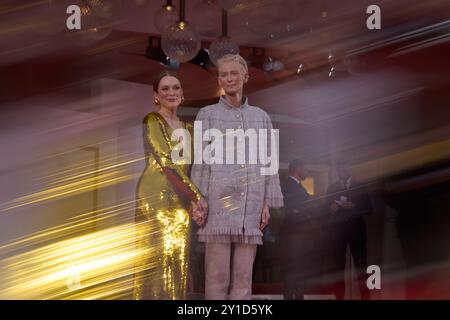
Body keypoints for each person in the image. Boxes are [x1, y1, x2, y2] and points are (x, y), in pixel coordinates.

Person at [190, 54, 284, 300]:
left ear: (245, 77)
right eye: (224, 74)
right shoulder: (207, 114)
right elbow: (200, 161)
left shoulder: (261, 117)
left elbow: (269, 163)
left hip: (250, 206)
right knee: (216, 276)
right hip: (217, 205)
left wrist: (266, 202)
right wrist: (197, 199)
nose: (229, 78)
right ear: (219, 79)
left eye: (234, 73)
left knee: (244, 278)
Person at [133, 70, 207, 300]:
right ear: (156, 95)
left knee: (178, 258)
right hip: (156, 196)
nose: (171, 92)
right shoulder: (151, 120)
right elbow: (165, 161)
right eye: (165, 88)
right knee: (155, 260)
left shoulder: (190, 129)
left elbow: (192, 168)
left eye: (175, 87)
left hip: (181, 199)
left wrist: (194, 202)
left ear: (182, 93)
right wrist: (197, 196)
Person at [325, 159, 371, 300]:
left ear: (350, 169)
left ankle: (365, 297)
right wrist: (331, 209)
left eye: (344, 169)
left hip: (357, 232)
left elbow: (369, 208)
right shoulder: (332, 188)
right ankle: (339, 297)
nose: (342, 172)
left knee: (361, 267)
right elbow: (324, 210)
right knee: (338, 268)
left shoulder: (360, 186)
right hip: (338, 233)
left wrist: (354, 207)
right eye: (339, 170)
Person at [280, 159, 320, 299]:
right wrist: (306, 212)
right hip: (294, 237)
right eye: (305, 169)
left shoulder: (297, 186)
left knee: (298, 270)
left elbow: (303, 209)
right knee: (293, 270)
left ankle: (298, 296)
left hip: (298, 236)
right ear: (297, 169)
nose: (307, 172)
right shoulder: (289, 186)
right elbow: (294, 211)